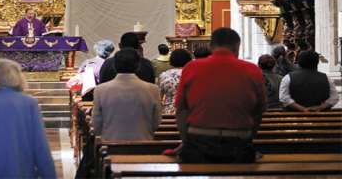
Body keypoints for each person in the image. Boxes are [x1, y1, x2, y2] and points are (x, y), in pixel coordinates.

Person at [175, 28, 266, 163]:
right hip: (239, 142)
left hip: (199, 141)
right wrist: (250, 138)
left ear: (211, 46)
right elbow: (260, 109)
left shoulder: (191, 67)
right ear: (237, 47)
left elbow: (181, 108)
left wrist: (185, 141)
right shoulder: (253, 70)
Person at [92, 49, 161, 141]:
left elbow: (97, 125)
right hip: (143, 145)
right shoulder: (153, 89)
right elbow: (156, 122)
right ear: (138, 66)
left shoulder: (100, 90)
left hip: (110, 145)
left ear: (114, 66)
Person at [158, 48, 193, 115]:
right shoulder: (191, 73)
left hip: (169, 112)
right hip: (188, 111)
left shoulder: (164, 75)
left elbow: (159, 97)